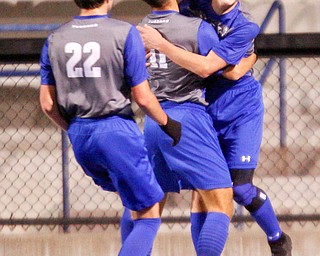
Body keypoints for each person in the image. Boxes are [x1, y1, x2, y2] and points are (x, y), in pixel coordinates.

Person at [138, 0, 292, 255]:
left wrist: (160, 45)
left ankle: (277, 238)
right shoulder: (192, 6)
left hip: (240, 109)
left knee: (240, 188)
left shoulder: (245, 25)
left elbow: (225, 72)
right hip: (206, 109)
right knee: (203, 192)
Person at [39, 0, 182, 255]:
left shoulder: (54, 38)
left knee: (134, 201)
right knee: (150, 209)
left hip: (80, 134)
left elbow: (48, 104)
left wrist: (72, 128)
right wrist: (167, 123)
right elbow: (143, 97)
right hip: (116, 130)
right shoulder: (124, 32)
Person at [122, 0, 235, 255]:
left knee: (145, 210)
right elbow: (227, 70)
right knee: (221, 202)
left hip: (153, 119)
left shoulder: (138, 29)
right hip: (188, 118)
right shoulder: (197, 28)